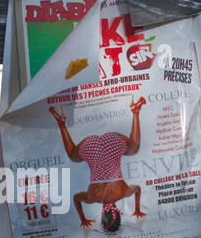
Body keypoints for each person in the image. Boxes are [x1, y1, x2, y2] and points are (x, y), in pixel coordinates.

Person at [51, 97, 147, 229]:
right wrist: (83, 219)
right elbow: (76, 199)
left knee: (134, 148)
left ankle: (135, 112)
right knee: (73, 156)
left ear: (118, 212)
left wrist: (137, 209)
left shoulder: (124, 192)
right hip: (91, 148)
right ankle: (61, 124)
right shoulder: (92, 198)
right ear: (102, 216)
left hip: (113, 144)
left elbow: (138, 189)